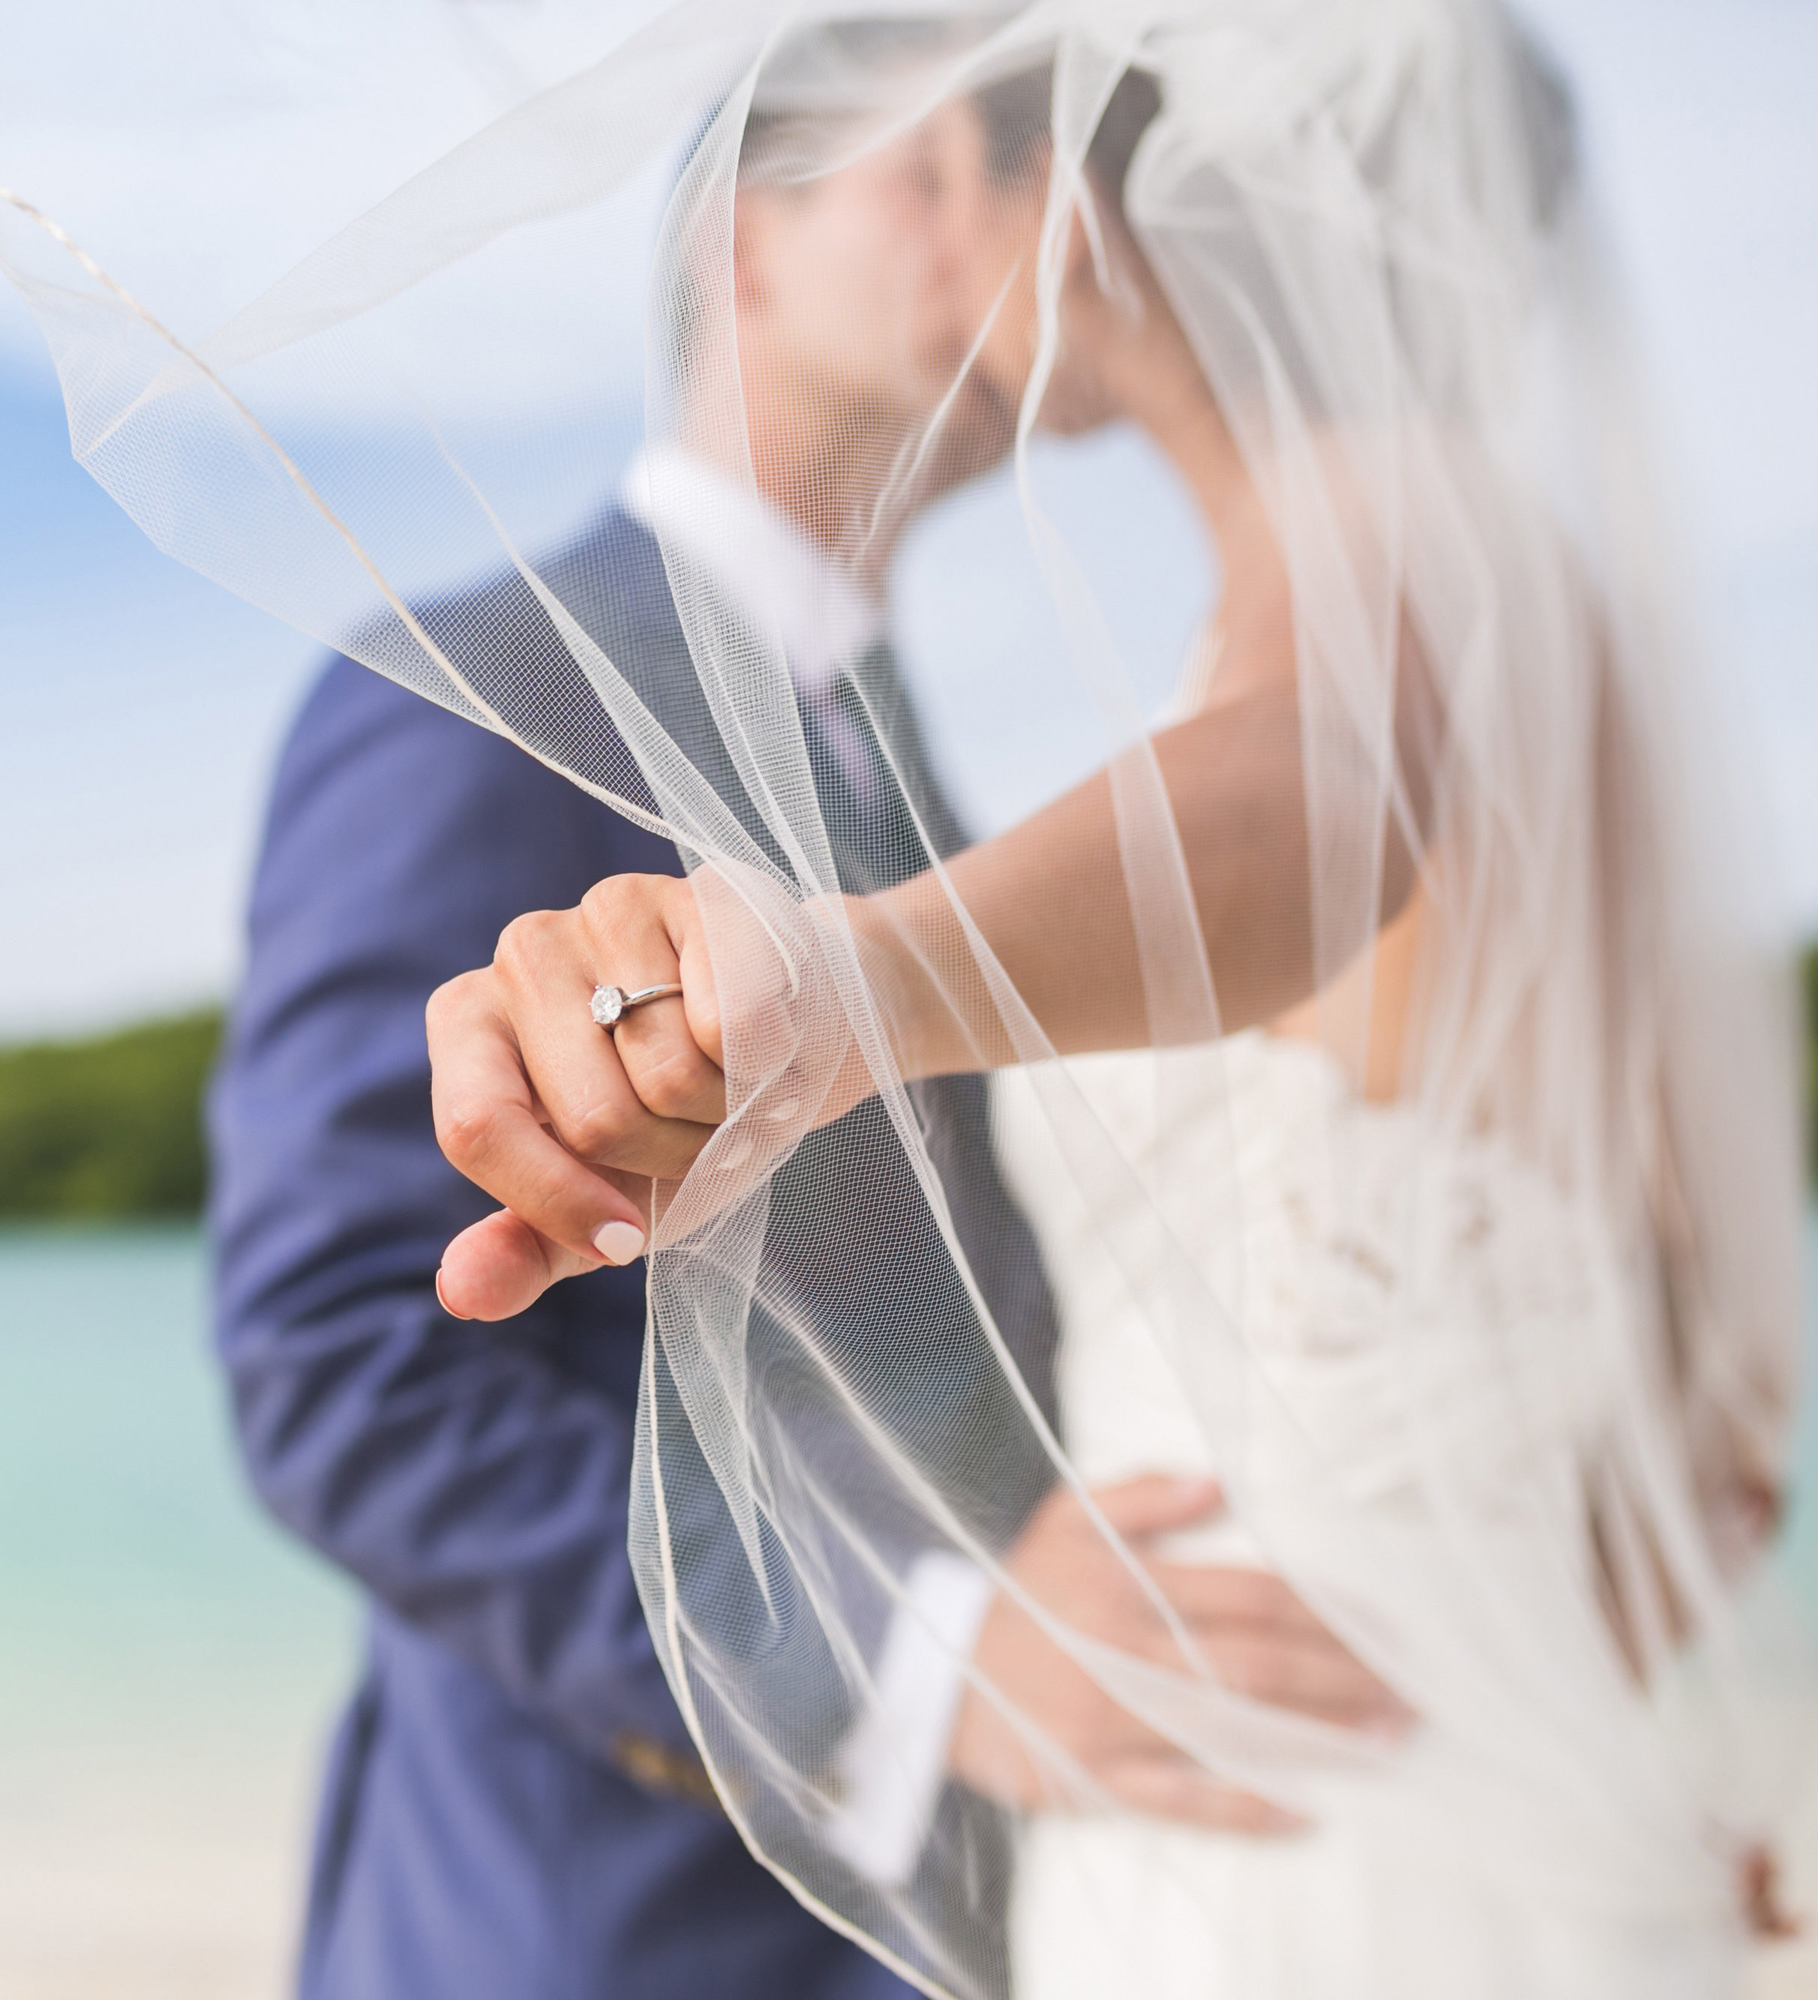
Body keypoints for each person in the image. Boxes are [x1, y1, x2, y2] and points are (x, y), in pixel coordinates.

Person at [419, 12, 1806, 1999]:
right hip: (1407, 1784)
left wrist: (850, 973)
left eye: (977, 144)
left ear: (1089, 196)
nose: (948, 206)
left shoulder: (1397, 530)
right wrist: (1533, 1712)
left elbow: (1315, 808)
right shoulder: (1438, 582)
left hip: (1294, 1846)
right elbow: (1718, 1422)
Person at [209, 45, 1393, 2000]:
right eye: (927, 172)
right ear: (745, 247)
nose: (1000, 217)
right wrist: (917, 1653)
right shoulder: (472, 684)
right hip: (598, 1920)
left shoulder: (916, 763)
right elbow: (339, 1357)